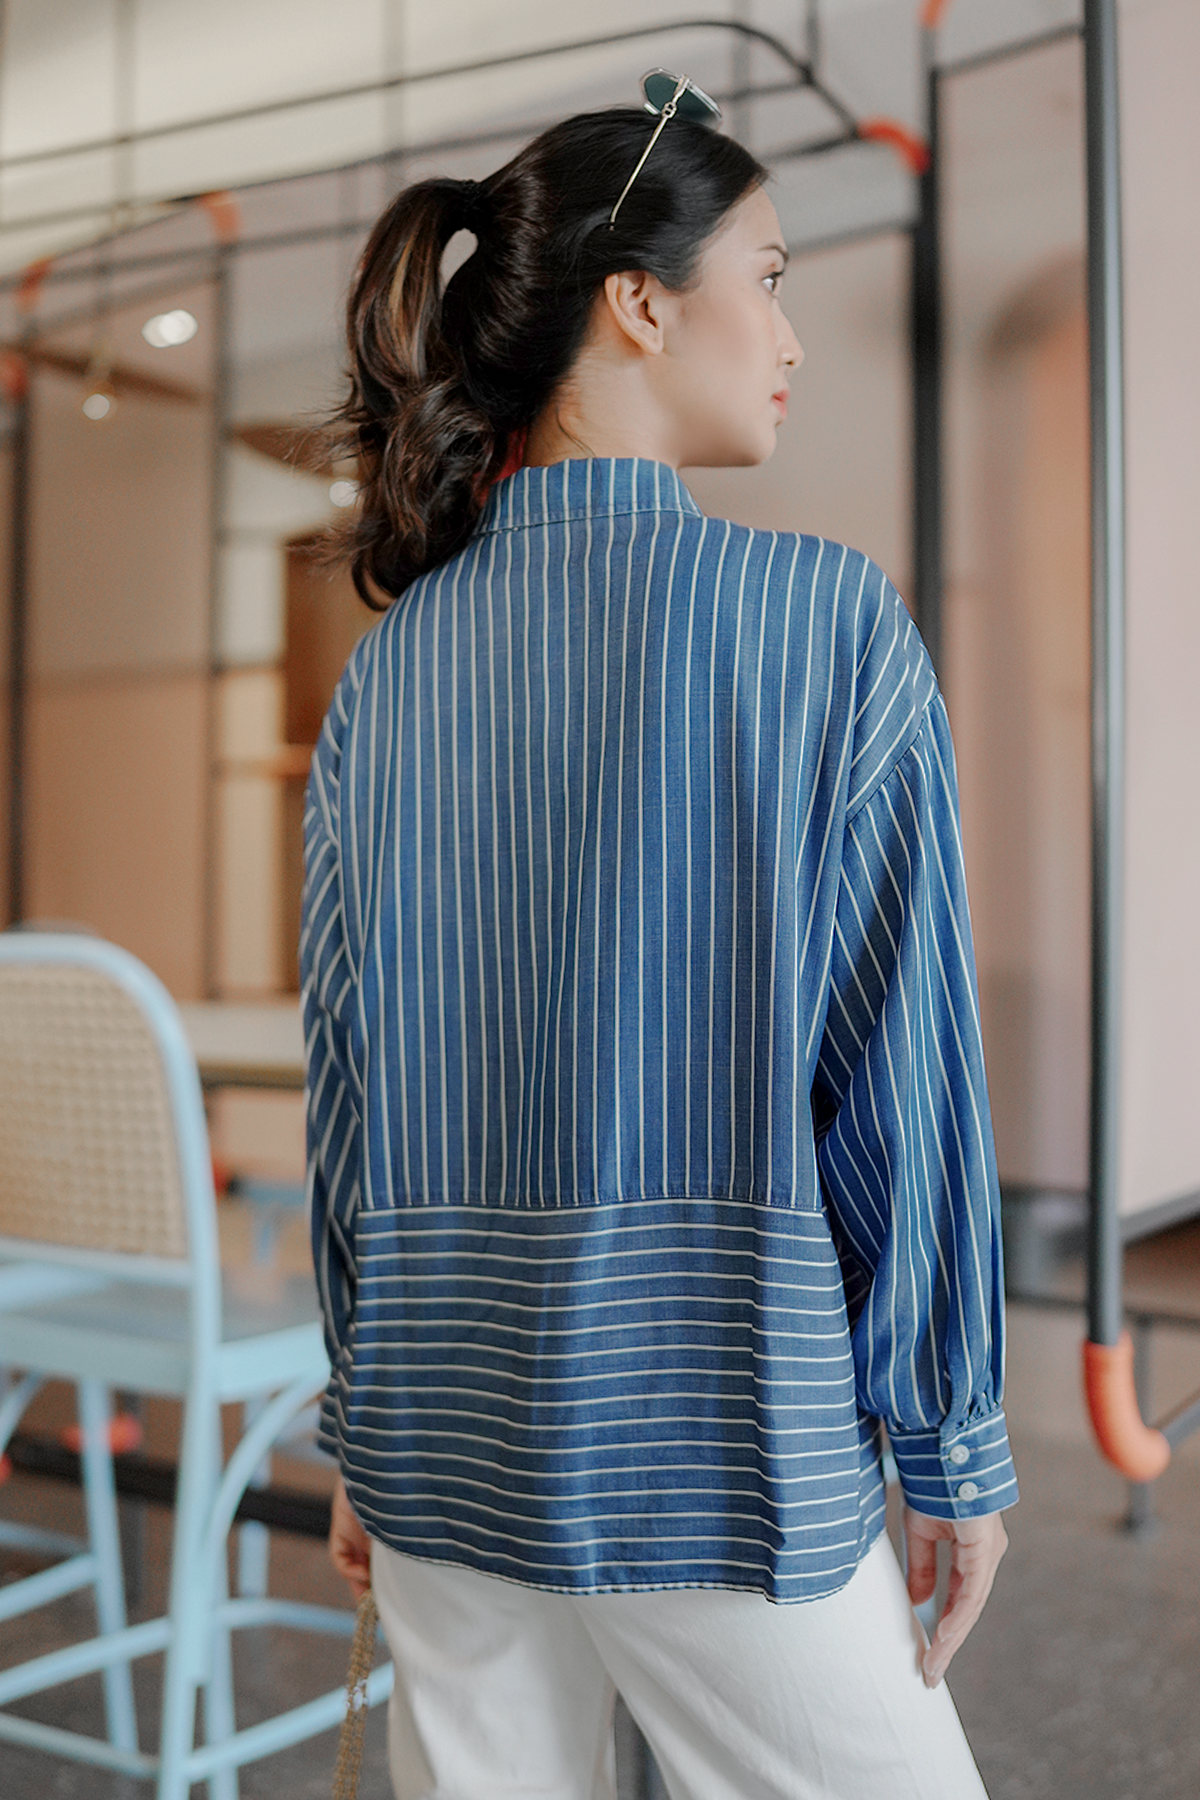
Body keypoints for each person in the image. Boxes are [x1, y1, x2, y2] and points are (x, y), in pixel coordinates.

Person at [302, 71, 1017, 1800]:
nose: (789, 334)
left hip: (440, 1443)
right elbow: (897, 1069)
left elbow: (351, 1093)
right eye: (767, 276)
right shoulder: (824, 624)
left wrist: (363, 1417)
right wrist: (952, 1436)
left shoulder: (386, 678)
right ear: (639, 299)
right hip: (723, 1439)